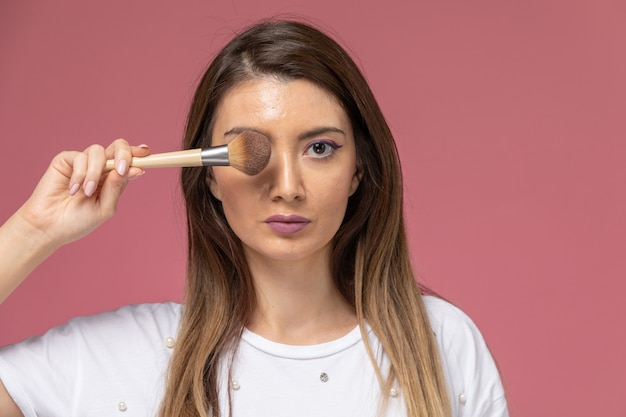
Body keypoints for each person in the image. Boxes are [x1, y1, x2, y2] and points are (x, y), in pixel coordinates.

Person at [0, 19, 508, 417]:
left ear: (359, 171)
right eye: (254, 151)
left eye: (321, 148)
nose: (287, 187)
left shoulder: (441, 343)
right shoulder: (122, 357)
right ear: (211, 176)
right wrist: (32, 232)